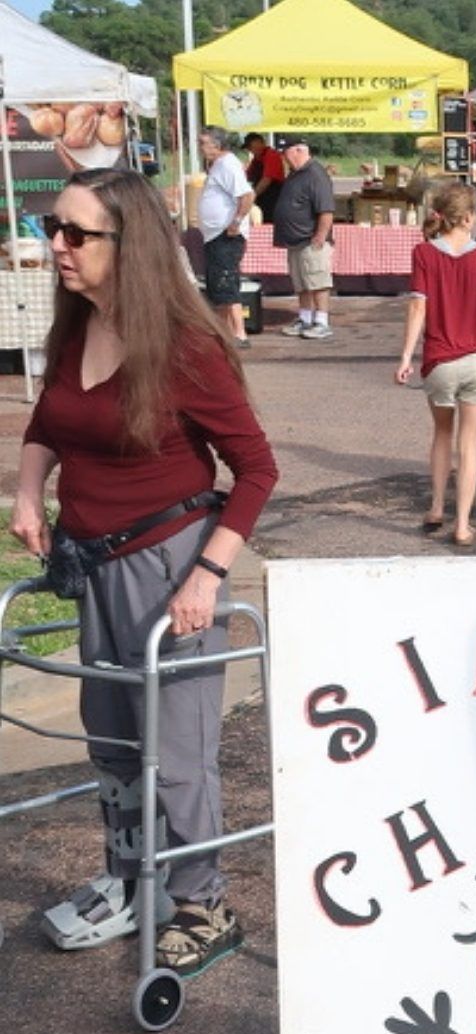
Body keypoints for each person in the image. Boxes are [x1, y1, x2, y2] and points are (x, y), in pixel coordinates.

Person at [11, 168, 279, 975]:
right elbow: (47, 423)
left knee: (178, 749)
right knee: (115, 741)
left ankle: (204, 900)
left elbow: (257, 469)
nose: (54, 246)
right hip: (90, 565)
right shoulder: (74, 326)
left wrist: (205, 577)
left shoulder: (187, 346)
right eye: (49, 227)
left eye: (74, 234)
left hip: (169, 566)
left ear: (127, 246)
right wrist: (29, 493)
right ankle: (133, 877)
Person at [395, 182, 476, 548]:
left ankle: (437, 507)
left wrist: (407, 356)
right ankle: (463, 524)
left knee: (441, 434)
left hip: (440, 359)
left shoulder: (423, 253)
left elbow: (417, 307)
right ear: (470, 217)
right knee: (468, 446)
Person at [271, 136, 336, 340]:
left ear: (299, 150)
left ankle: (322, 321)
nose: (283, 157)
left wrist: (320, 236)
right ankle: (305, 318)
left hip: (310, 239)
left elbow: (326, 210)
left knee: (317, 280)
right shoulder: (296, 174)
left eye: (286, 152)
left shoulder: (315, 174)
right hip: (295, 240)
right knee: (301, 283)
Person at [197, 126, 254, 350]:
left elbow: (246, 195)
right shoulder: (217, 166)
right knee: (217, 283)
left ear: (217, 144)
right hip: (215, 234)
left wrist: (236, 222)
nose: (200, 148)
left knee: (226, 281)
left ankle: (239, 332)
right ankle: (223, 330)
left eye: (203, 143)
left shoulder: (228, 164)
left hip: (225, 234)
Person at [243, 131, 284, 224]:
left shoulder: (271, 155)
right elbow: (248, 176)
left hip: (273, 199)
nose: (250, 150)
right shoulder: (257, 159)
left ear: (260, 143)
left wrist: (252, 196)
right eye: (248, 148)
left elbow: (266, 180)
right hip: (262, 199)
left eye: (251, 147)